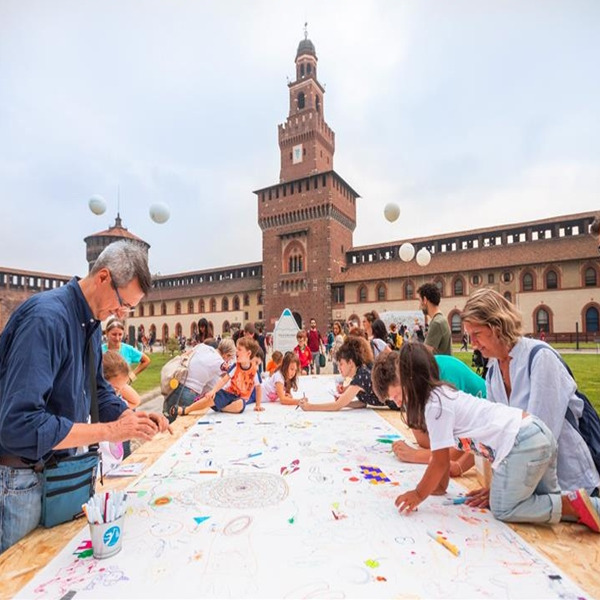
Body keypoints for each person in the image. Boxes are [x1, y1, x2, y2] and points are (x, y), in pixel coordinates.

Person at [0, 240, 170, 553]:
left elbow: (97, 390)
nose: (121, 315)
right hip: (20, 483)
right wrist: (110, 432)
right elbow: (19, 425)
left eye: (128, 309)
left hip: (57, 477)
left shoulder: (89, 324)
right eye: (122, 304)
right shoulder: (47, 320)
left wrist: (128, 417)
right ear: (103, 277)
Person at [389, 344, 600, 534]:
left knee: (503, 506)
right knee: (548, 502)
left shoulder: (434, 406)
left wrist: (418, 493)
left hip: (522, 442)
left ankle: (571, 504)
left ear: (410, 379)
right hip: (536, 432)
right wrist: (438, 487)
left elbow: (439, 461)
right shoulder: (443, 395)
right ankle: (592, 507)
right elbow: (442, 462)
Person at [461, 287, 600, 499]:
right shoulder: (493, 372)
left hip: (573, 485)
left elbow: (540, 439)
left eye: (477, 334)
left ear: (497, 326)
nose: (473, 344)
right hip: (532, 488)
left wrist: (504, 491)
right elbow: (497, 433)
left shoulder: (540, 359)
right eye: (469, 336)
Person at [372, 349, 487, 477]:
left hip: (491, 435)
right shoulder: (413, 387)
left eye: (396, 396)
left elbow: (457, 448)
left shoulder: (442, 382)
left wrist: (415, 455)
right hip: (477, 442)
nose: (399, 404)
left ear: (404, 378)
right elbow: (426, 441)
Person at [299, 337, 386, 412]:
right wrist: (345, 402)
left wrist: (310, 407)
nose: (339, 368)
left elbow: (337, 406)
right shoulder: (361, 372)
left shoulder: (361, 377)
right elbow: (362, 404)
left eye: (341, 364)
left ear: (350, 363)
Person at [180, 337, 263, 415]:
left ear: (248, 353)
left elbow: (258, 388)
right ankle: (187, 409)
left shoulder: (255, 371)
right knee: (212, 397)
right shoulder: (236, 366)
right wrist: (213, 391)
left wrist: (258, 405)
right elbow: (224, 380)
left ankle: (222, 408)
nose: (236, 351)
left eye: (239, 349)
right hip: (228, 394)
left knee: (240, 405)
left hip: (239, 399)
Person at [165, 338, 236, 422]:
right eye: (230, 358)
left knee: (167, 421)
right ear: (226, 355)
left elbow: (184, 355)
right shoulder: (220, 363)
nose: (228, 361)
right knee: (180, 425)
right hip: (190, 393)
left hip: (176, 385)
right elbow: (230, 376)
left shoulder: (202, 346)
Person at [102, 316, 151, 410]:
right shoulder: (100, 350)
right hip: (106, 392)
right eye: (114, 334)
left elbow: (146, 360)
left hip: (124, 392)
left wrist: (131, 376)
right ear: (107, 333)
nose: (117, 338)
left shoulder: (128, 349)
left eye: (120, 334)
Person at [99, 350, 131, 473]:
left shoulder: (116, 401)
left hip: (114, 467)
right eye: (114, 389)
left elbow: (135, 399)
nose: (116, 394)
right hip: (101, 472)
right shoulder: (99, 407)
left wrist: (120, 387)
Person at [417, 283, 452, 355]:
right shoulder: (440, 319)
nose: (419, 306)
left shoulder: (437, 322)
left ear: (425, 300)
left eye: (419, 301)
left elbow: (425, 354)